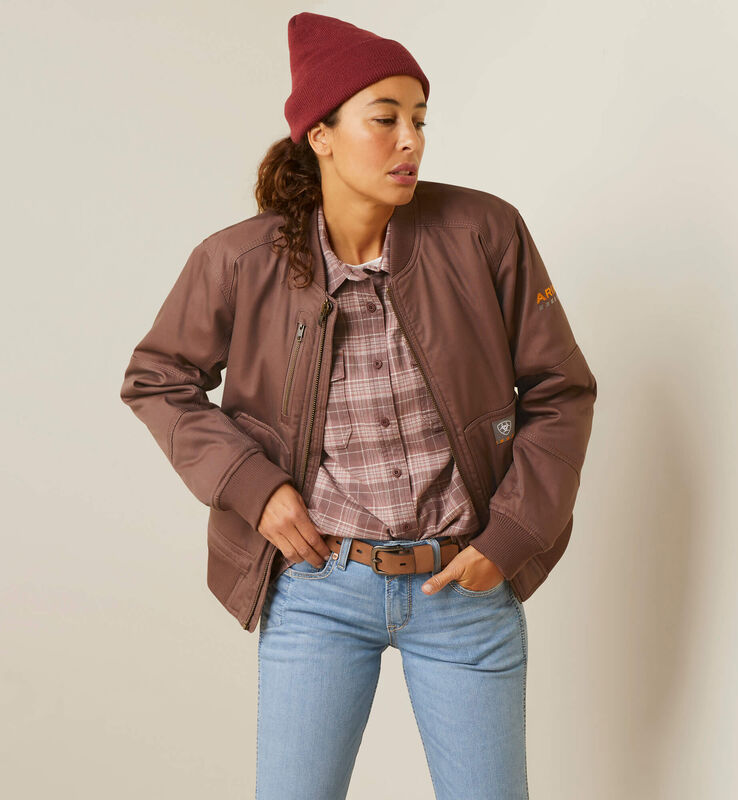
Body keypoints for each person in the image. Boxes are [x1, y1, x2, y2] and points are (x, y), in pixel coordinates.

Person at [120, 11, 598, 800]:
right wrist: (253, 487)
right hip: (317, 590)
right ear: (321, 134)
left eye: (420, 120)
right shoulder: (240, 260)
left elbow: (560, 389)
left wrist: (512, 536)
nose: (411, 140)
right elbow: (157, 376)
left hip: (465, 584)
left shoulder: (485, 233)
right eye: (385, 119)